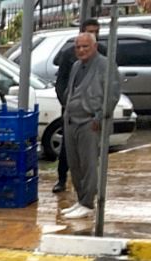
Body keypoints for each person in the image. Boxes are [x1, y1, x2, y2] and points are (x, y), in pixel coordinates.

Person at [60, 31, 121, 220]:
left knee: (88, 164)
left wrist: (100, 116)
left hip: (90, 122)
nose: (81, 50)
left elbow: (112, 94)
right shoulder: (77, 66)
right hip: (72, 120)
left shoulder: (105, 65)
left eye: (85, 46)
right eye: (78, 46)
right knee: (75, 164)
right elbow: (70, 90)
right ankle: (81, 200)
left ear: (94, 46)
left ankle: (88, 202)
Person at [52, 18, 102, 194]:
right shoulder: (69, 55)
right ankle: (62, 179)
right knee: (68, 147)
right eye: (90, 31)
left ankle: (88, 188)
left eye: (96, 31)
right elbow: (62, 82)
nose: (93, 34)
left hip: (91, 112)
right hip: (72, 110)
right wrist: (67, 103)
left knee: (90, 150)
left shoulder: (102, 55)